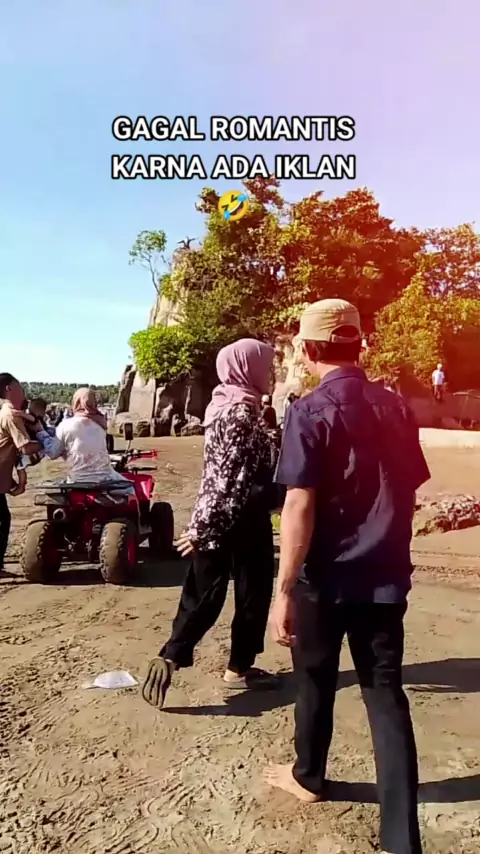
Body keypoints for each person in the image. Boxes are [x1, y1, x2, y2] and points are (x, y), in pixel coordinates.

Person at [264, 299, 430, 854]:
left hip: (324, 578)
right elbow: (408, 488)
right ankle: (402, 839)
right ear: (357, 344)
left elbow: (299, 504)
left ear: (310, 349)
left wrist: (284, 589)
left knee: (314, 679)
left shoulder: (308, 410)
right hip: (384, 577)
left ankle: (309, 776)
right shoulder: (397, 407)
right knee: (385, 695)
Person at [142, 338, 278, 710]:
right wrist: (205, 530)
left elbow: (214, 475)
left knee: (203, 592)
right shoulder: (243, 413)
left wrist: (201, 522)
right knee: (252, 593)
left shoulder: (220, 406)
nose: (270, 373)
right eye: (266, 366)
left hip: (214, 510)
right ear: (247, 367)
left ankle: (171, 655)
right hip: (238, 515)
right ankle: (237, 669)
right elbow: (232, 478)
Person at [0, 374, 43, 573]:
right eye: (19, 385)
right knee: (2, 520)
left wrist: (20, 479)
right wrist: (49, 444)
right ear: (9, 389)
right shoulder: (11, 416)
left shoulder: (7, 413)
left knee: (3, 518)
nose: (23, 390)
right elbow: (25, 448)